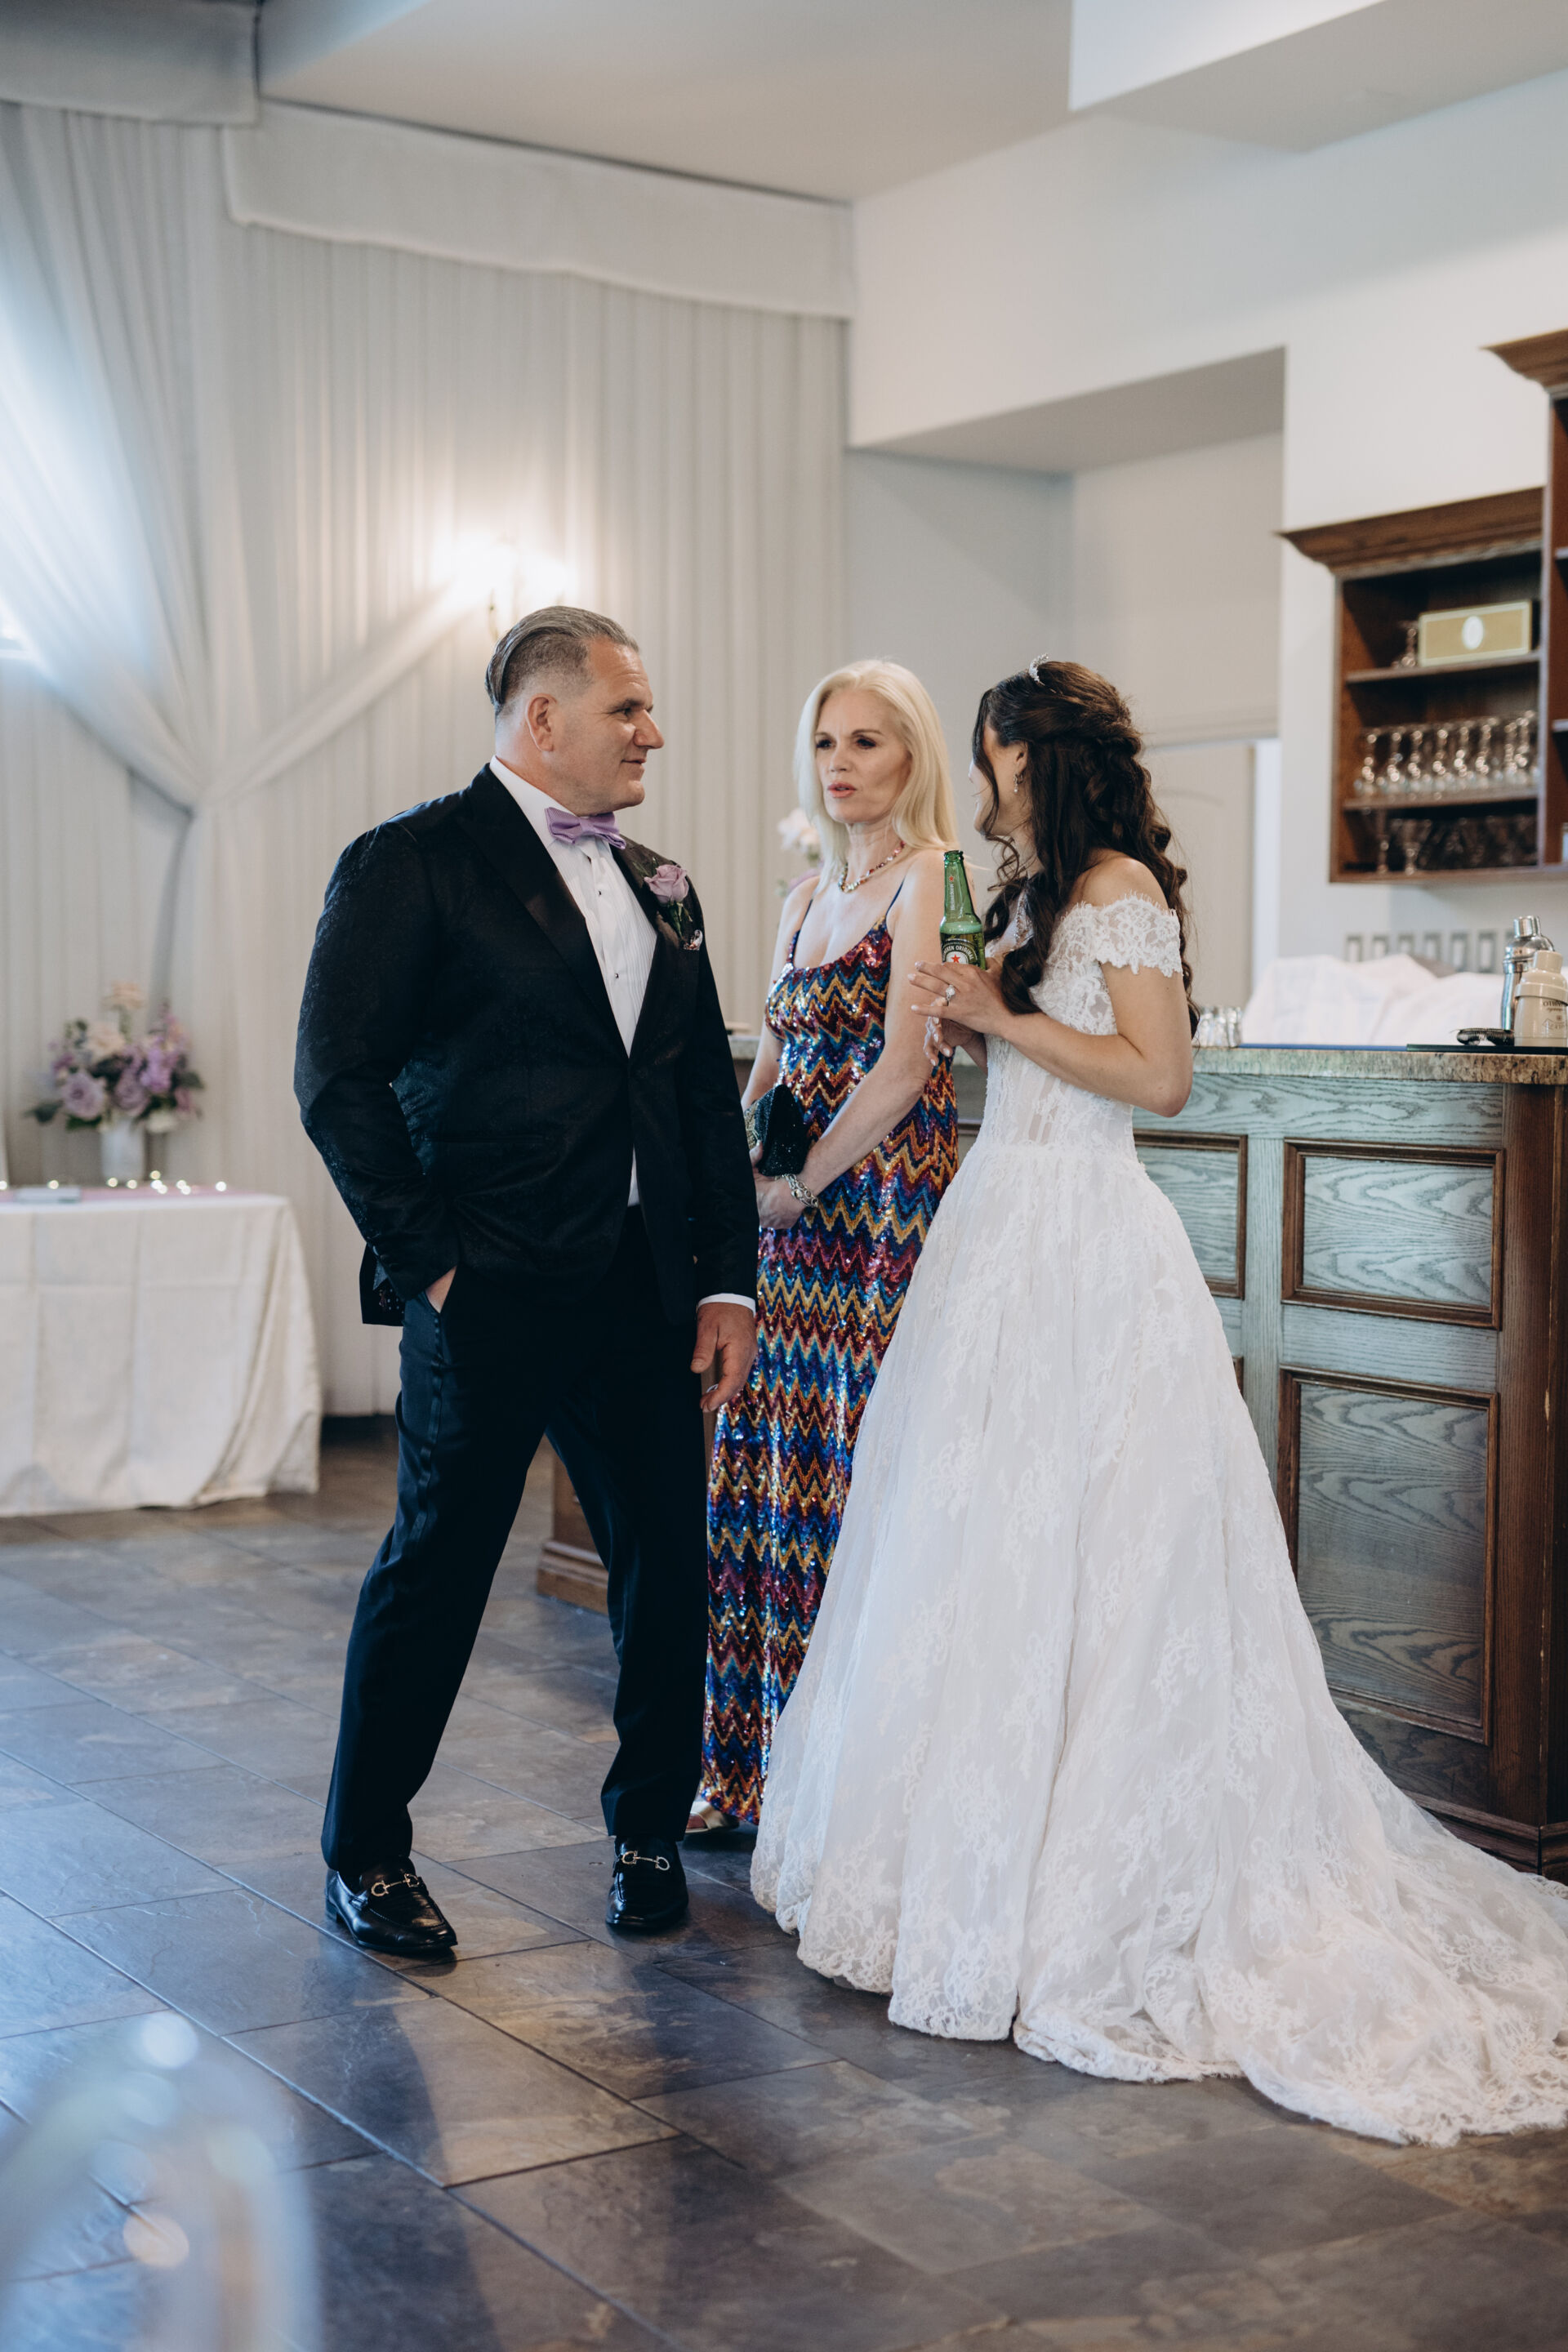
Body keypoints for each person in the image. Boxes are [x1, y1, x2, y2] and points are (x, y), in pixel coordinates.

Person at [752, 657, 1568, 2145]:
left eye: (993, 759)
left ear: (1036, 760)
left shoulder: (1120, 889)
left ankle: (1094, 1876)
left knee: (1108, 1552)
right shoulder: (1028, 893)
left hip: (1088, 1237)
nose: (982, 785)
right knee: (975, 1544)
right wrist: (971, 1018)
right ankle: (960, 1856)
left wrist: (1000, 1021)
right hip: (996, 1231)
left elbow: (1164, 1076)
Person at [295, 605, 757, 1950]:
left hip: (642, 1291)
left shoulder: (663, 883)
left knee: (669, 1571)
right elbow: (337, 1079)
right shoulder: (411, 863)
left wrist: (725, 1280)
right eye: (629, 708)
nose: (653, 732)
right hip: (488, 1289)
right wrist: (434, 1265)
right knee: (437, 1571)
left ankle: (647, 1834)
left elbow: (696, 1097)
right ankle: (367, 1855)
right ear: (544, 718)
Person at [691, 661, 960, 1844]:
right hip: (787, 1220)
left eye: (866, 742)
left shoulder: (931, 878)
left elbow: (903, 1070)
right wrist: (724, 1179)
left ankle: (844, 1793)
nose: (841, 765)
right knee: (762, 1469)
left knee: (851, 1474)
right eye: (826, 743)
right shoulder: (805, 896)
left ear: (912, 757)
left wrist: (801, 1187)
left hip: (879, 1211)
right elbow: (767, 1064)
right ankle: (748, 1769)